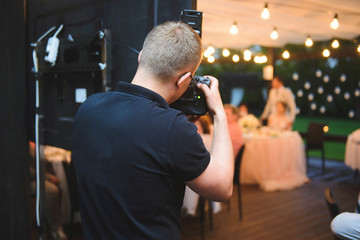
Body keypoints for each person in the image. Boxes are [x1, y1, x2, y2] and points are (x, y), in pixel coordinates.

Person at [71, 21, 233, 240]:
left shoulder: (89, 107)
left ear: (140, 57)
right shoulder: (174, 128)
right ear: (185, 80)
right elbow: (222, 189)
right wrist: (219, 113)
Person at [29, 141, 68, 240]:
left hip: (34, 176)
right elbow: (27, 171)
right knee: (51, 191)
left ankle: (60, 221)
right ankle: (56, 229)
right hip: (24, 181)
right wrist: (48, 177)